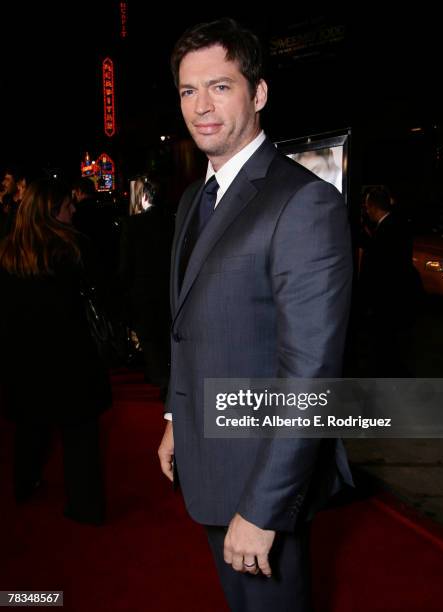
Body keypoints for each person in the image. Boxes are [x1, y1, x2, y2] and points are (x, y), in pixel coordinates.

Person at [157, 18, 353, 611]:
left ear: (258, 93)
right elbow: (192, 325)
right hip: (210, 455)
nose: (201, 107)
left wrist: (265, 507)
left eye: (220, 86)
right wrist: (175, 415)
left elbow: (311, 374)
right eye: (189, 91)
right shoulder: (196, 197)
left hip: (264, 479)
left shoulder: (303, 201)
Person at [0, 179, 112, 524]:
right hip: (71, 357)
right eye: (68, 205)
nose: (74, 210)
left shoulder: (8, 252)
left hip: (24, 357)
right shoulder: (74, 248)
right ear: (51, 210)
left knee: (31, 426)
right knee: (80, 435)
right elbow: (105, 290)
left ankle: (24, 483)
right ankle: (85, 505)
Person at [119, 176, 174, 398]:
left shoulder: (132, 225)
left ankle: (162, 381)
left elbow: (125, 266)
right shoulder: (172, 221)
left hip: (143, 292)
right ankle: (168, 380)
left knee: (151, 339)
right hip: (168, 289)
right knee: (166, 336)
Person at [358, 185, 420, 375]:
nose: (366, 211)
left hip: (388, 301)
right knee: (394, 349)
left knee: (388, 349)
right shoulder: (396, 224)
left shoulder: (386, 231)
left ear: (373, 207)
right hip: (400, 298)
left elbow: (380, 267)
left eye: (367, 207)